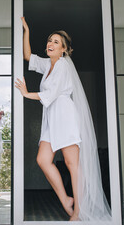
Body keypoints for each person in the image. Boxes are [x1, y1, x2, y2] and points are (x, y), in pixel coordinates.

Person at [15, 17, 111, 222]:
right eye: (50, 40)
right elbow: (27, 56)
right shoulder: (48, 64)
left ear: (64, 50)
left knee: (72, 164)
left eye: (56, 42)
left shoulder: (63, 66)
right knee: (42, 160)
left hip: (65, 116)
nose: (51, 43)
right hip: (51, 116)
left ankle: (78, 211)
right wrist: (26, 30)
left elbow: (49, 94)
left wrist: (26, 93)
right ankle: (66, 199)